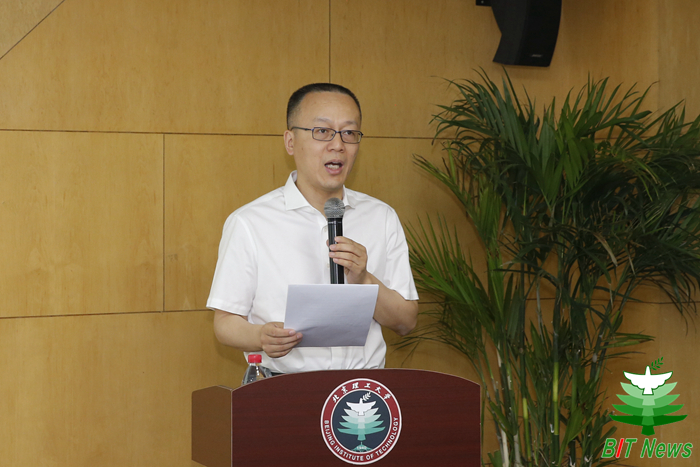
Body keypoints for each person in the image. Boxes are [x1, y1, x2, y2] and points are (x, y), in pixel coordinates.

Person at [207, 83, 419, 374]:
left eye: (349, 133)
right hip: (284, 386)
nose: (338, 145)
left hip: (361, 390)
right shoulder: (250, 222)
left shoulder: (381, 217)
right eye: (322, 131)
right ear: (290, 142)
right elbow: (224, 323)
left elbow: (406, 321)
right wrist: (260, 337)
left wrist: (364, 279)